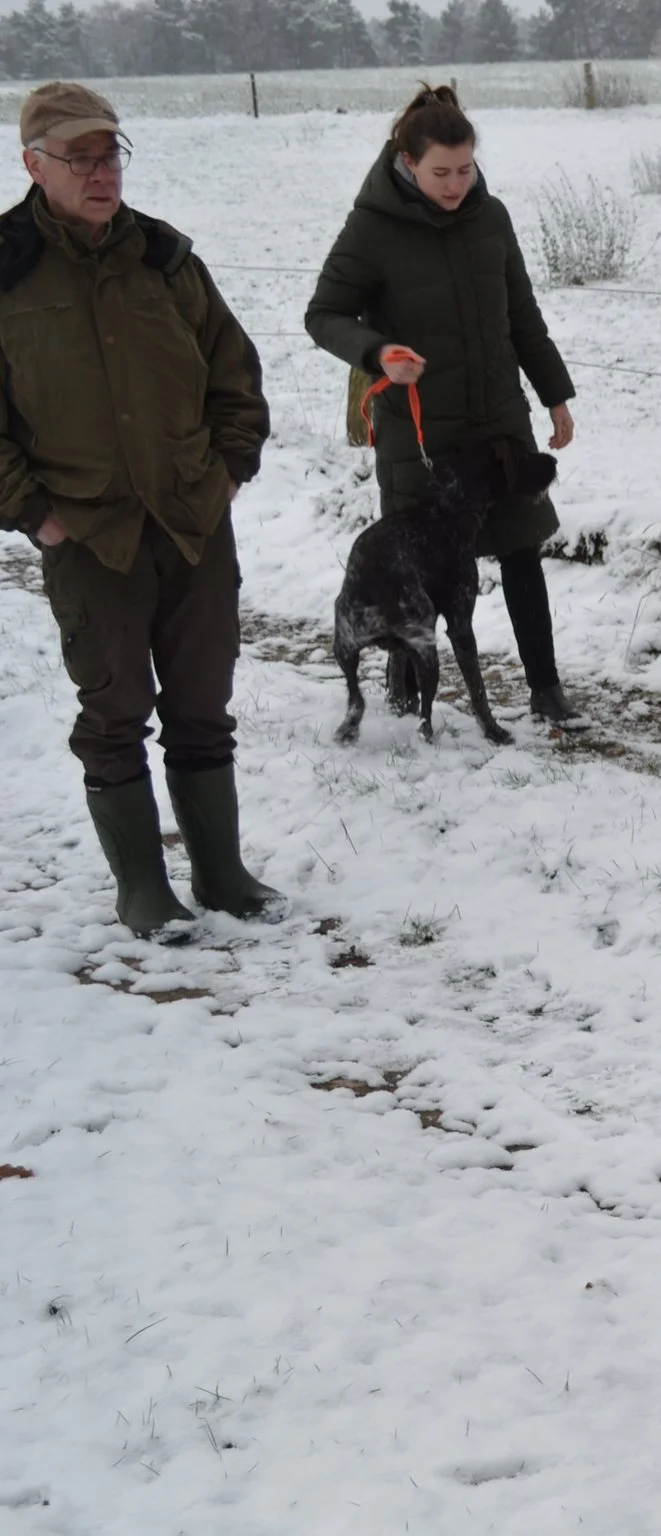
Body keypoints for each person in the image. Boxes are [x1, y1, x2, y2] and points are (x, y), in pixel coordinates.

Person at [2, 82, 283, 939]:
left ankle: (222, 873)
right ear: (34, 165)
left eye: (110, 155)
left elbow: (234, 375)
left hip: (193, 525)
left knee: (202, 705)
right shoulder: (6, 272)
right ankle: (142, 889)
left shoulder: (166, 259)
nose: (101, 174)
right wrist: (36, 513)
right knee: (114, 710)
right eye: (80, 158)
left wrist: (227, 472)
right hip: (90, 536)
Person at [305, 84, 585, 731]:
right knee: (415, 566)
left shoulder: (492, 219)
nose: (457, 184)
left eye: (465, 169)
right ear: (407, 162)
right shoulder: (372, 229)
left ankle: (546, 689)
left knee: (521, 550)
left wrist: (556, 395)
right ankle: (403, 685)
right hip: (419, 433)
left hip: (498, 420)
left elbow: (522, 316)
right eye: (442, 173)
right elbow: (323, 315)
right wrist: (377, 353)